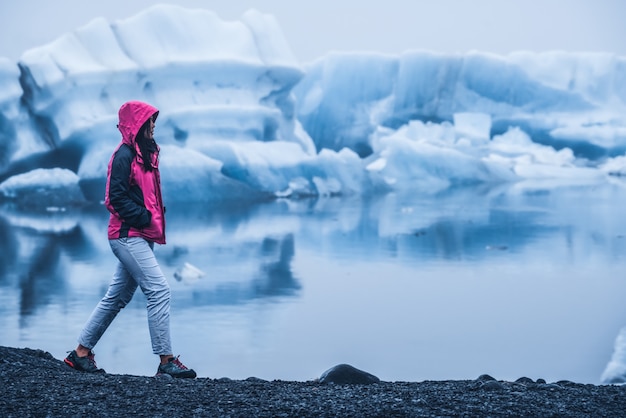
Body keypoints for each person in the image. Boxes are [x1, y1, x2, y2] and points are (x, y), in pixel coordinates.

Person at [64, 101, 196, 378]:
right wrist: (145, 217)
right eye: (149, 120)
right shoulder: (124, 155)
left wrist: (155, 214)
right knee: (159, 291)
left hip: (139, 234)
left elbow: (143, 194)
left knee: (117, 297)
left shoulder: (144, 154)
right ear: (137, 124)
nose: (154, 125)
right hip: (127, 236)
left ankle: (80, 354)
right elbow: (114, 198)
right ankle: (166, 362)